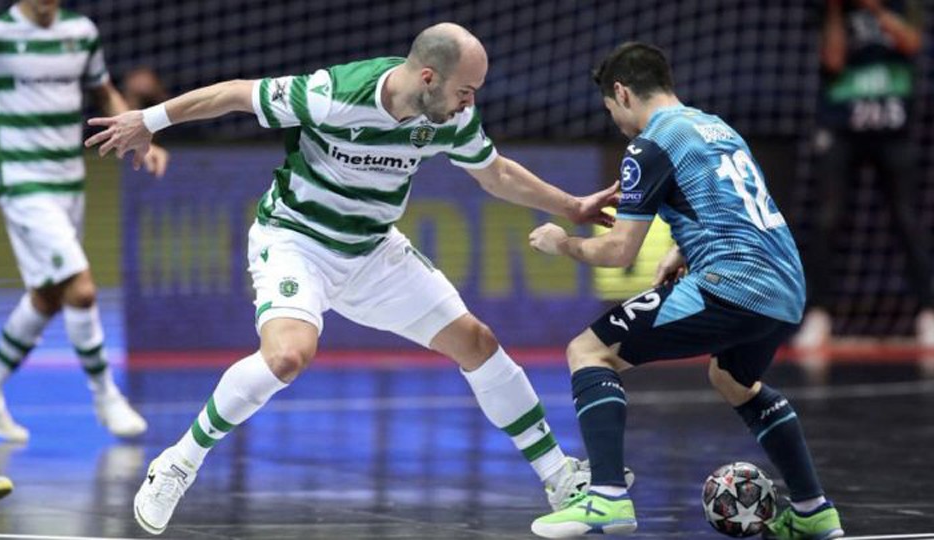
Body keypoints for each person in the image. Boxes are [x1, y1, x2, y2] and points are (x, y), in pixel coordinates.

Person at [84, 22, 625, 535]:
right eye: (466, 90)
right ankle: (179, 462)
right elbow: (235, 93)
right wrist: (148, 121)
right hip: (295, 241)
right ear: (429, 78)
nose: (471, 103)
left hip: (373, 250)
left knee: (478, 342)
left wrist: (572, 204)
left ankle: (559, 478)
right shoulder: (334, 94)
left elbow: (496, 173)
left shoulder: (449, 118)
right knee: (286, 357)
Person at [526, 43, 844, 539]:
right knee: (733, 379)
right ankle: (812, 511)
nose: (616, 123)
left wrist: (561, 241)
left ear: (621, 92)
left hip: (733, 285)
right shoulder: (716, 126)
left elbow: (618, 252)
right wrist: (683, 249)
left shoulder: (651, 144)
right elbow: (732, 204)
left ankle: (606, 496)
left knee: (588, 351)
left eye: (611, 111)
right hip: (785, 285)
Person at [0, 0, 169, 443]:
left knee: (47, 295)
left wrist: (142, 137)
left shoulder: (81, 32)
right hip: (22, 183)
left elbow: (103, 93)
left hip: (70, 182)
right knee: (80, 288)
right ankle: (105, 396)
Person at [795, 0, 932, 351]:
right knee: (828, 219)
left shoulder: (904, 5)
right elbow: (833, 60)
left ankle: (928, 312)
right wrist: (838, 12)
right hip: (842, 127)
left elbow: (912, 43)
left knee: (907, 219)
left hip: (892, 126)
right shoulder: (830, 10)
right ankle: (819, 315)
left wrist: (875, 8)